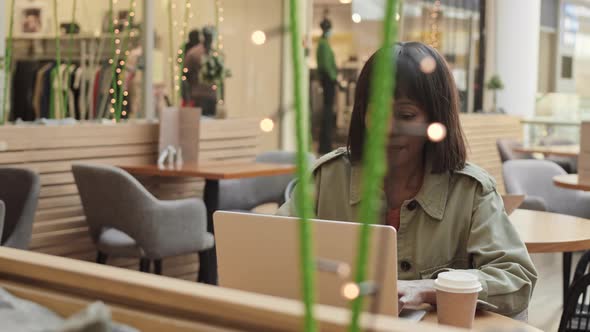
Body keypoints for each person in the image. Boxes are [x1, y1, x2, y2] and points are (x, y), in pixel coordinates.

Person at [278, 42, 537, 318]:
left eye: (406, 115)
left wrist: (430, 288)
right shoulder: (327, 177)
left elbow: (517, 280)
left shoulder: (470, 190)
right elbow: (269, 248)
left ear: (436, 120)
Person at [316, 15, 338, 154]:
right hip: (328, 80)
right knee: (328, 111)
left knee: (328, 111)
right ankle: (325, 145)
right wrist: (333, 77)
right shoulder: (323, 44)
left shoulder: (324, 43)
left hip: (329, 79)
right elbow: (325, 64)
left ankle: (326, 143)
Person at [184, 28, 217, 116]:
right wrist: (187, 97)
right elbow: (185, 75)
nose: (209, 38)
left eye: (211, 36)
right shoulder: (194, 53)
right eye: (207, 35)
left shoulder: (215, 54)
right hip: (198, 96)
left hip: (212, 97)